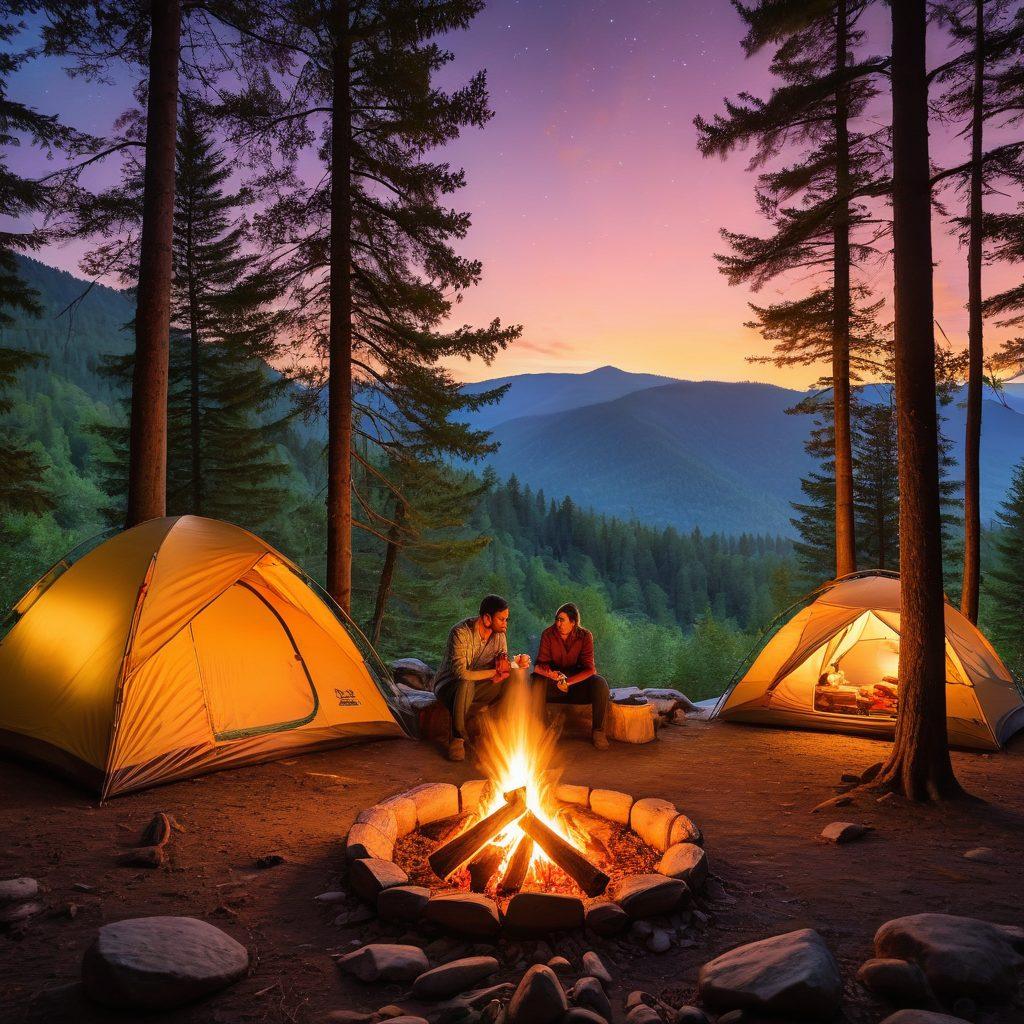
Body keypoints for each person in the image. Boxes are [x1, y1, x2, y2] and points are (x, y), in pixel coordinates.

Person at [432, 595, 531, 761]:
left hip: (479, 685)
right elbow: (461, 673)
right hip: (450, 685)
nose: (505, 624)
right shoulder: (461, 632)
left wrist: (515, 663)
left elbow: (503, 666)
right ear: (486, 618)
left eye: (506, 619)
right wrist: (495, 672)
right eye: (501, 619)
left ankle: (500, 731)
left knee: (515, 677)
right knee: (466, 682)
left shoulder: (499, 635)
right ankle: (458, 738)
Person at [532, 603, 610, 750]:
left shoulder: (585, 636)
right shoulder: (548, 634)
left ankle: (598, 732)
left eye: (562, 620)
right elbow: (540, 664)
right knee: (535, 681)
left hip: (576, 686)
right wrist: (551, 674)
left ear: (573, 622)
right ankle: (541, 729)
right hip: (554, 685)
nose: (558, 623)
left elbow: (590, 669)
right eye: (557, 619)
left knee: (600, 683)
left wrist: (569, 681)